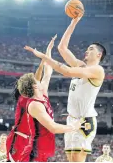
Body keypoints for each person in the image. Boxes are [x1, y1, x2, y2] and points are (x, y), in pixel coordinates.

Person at [24, 16, 106, 162]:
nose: (87, 50)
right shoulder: (81, 65)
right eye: (87, 48)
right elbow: (62, 48)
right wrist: (73, 22)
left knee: (76, 160)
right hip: (71, 119)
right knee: (70, 159)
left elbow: (67, 71)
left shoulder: (97, 70)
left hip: (84, 120)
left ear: (99, 54)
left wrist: (43, 56)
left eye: (91, 49)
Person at [6, 35, 84, 162]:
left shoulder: (42, 93)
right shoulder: (33, 104)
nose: (39, 78)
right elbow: (53, 127)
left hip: (39, 147)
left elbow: (48, 72)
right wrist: (74, 127)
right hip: (26, 146)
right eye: (36, 79)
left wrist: (48, 51)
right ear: (34, 85)